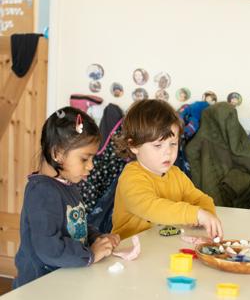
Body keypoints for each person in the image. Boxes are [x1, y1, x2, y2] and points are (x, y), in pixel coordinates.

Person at [14, 107, 120, 288]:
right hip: (39, 288)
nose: (91, 166)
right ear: (57, 154)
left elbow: (76, 226)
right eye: (84, 159)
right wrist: (91, 254)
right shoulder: (42, 192)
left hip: (64, 281)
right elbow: (48, 248)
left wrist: (97, 238)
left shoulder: (68, 185)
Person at [111, 99, 223, 240]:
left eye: (173, 143)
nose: (168, 152)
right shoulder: (131, 178)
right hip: (131, 253)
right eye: (158, 145)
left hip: (163, 247)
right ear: (133, 145)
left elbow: (199, 199)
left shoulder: (176, 174)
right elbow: (152, 207)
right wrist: (196, 214)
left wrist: (207, 214)